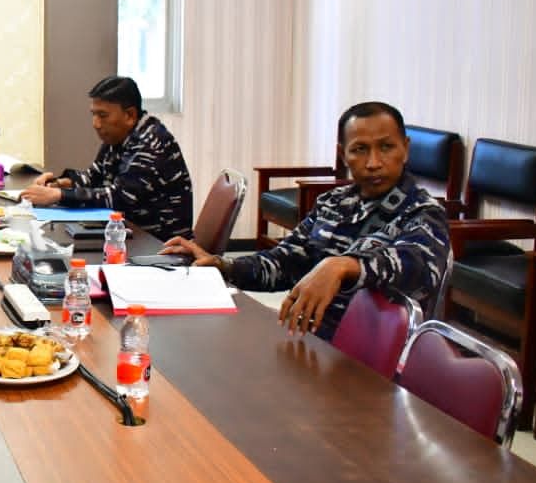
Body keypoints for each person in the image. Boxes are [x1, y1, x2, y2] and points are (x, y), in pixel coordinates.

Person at [163, 102, 449, 339]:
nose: (374, 162)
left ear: (405, 149)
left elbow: (418, 268)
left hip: (368, 361)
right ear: (343, 154)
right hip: (308, 342)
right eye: (360, 149)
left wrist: (342, 265)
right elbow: (285, 262)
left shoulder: (423, 212)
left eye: (386, 147)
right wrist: (222, 266)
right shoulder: (333, 203)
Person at [20, 75, 193, 241]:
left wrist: (58, 195)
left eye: (103, 116)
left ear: (130, 115)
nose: (95, 124)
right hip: (127, 235)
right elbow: (93, 177)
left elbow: (120, 197)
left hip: (158, 246)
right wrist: (58, 184)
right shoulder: (118, 137)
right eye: (93, 114)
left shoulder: (151, 142)